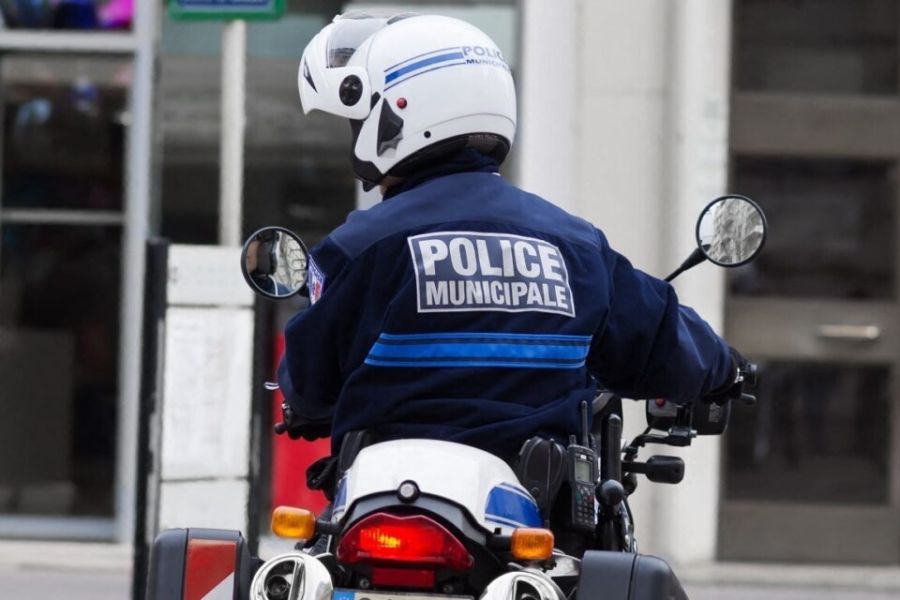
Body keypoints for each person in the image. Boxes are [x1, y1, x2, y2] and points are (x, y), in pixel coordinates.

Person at [275, 12, 746, 463]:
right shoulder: (576, 246)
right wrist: (727, 369)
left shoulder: (357, 247)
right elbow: (661, 338)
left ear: (399, 113)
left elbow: (308, 383)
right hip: (528, 512)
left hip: (380, 496)